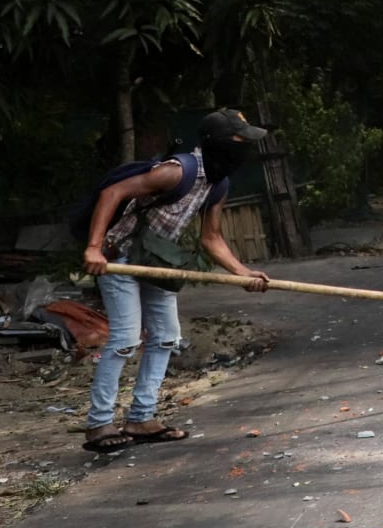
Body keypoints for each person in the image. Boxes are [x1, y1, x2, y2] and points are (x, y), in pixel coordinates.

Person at [73, 109, 272, 454]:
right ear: (219, 143)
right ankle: (99, 424)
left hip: (156, 259)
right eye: (239, 140)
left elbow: (212, 238)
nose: (244, 148)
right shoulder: (177, 171)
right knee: (124, 338)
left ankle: (142, 418)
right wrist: (93, 248)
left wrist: (242, 273)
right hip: (118, 255)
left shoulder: (218, 182)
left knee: (166, 336)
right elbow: (112, 193)